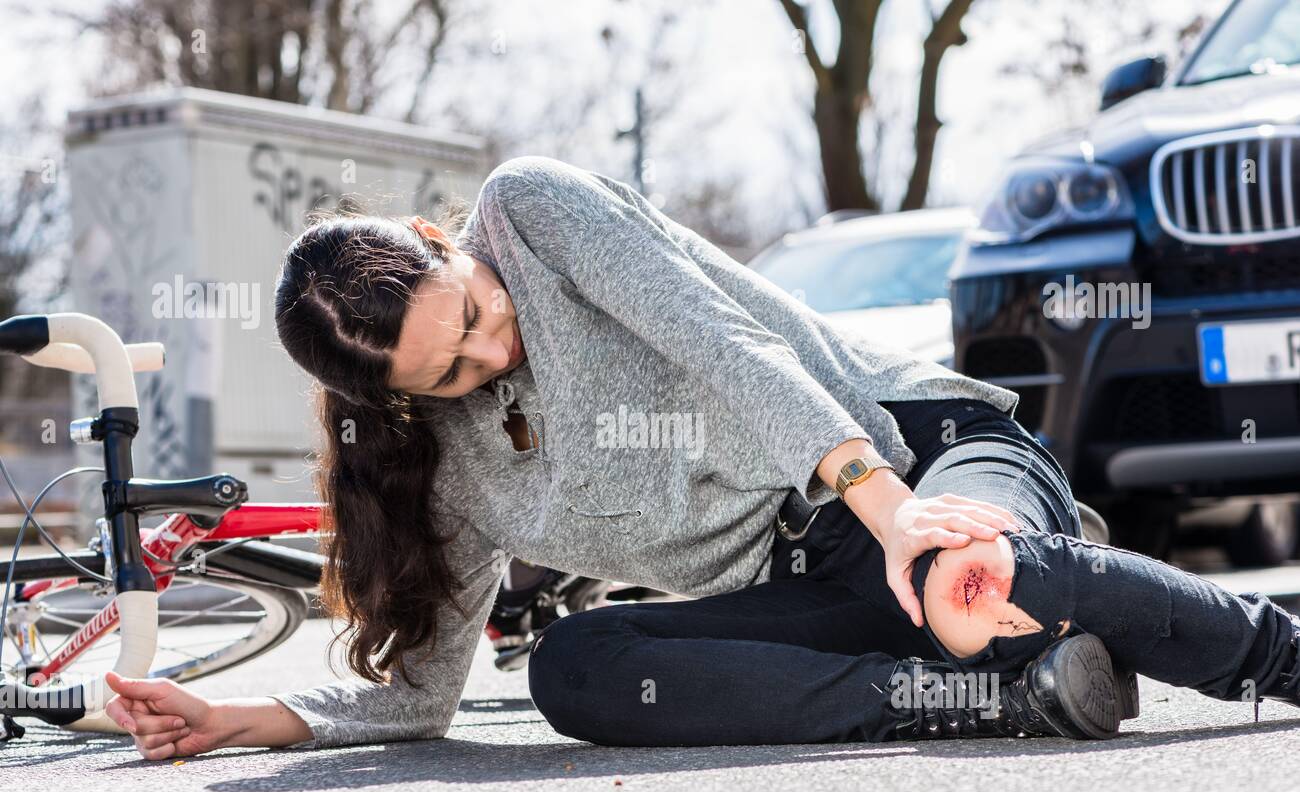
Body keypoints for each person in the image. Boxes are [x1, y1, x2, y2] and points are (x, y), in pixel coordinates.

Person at [105, 156, 1300, 758]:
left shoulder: (531, 214)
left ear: (441, 243)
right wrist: (243, 716)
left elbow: (722, 345)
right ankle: (990, 694)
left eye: (470, 313)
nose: (491, 349)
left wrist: (890, 514)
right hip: (807, 584)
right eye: (451, 375)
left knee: (970, 571)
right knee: (576, 667)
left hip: (909, 453)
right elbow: (421, 697)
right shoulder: (449, 472)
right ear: (402, 404)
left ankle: (1266, 652)